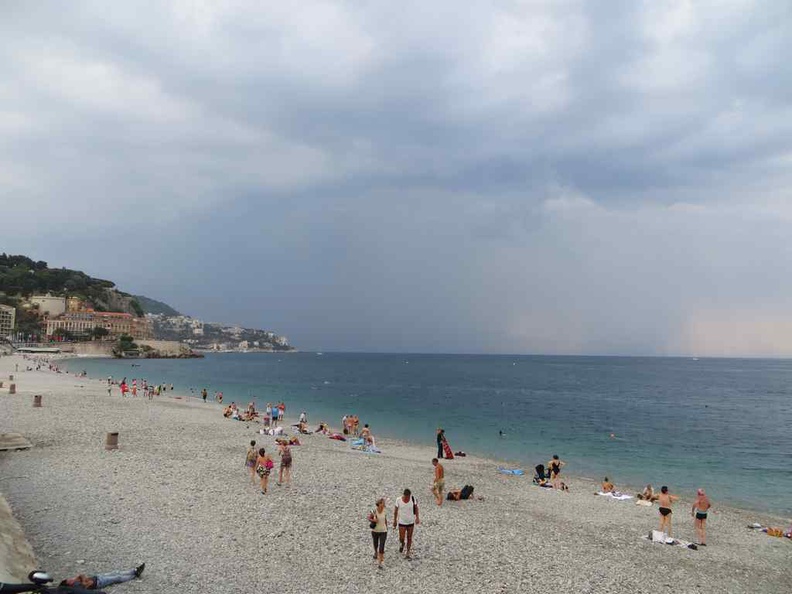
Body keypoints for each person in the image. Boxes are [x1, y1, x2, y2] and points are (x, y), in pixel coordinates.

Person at [60, 563, 145, 589]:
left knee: (116, 572)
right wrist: (81, 579)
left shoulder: (76, 582)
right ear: (69, 584)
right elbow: (87, 583)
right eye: (69, 580)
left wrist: (81, 578)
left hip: (97, 577)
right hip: (99, 582)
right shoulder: (76, 586)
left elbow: (83, 576)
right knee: (117, 578)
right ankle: (134, 575)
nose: (71, 579)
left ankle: (134, 570)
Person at [393, 488, 419, 559]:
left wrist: (417, 517)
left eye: (408, 497)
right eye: (406, 497)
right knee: (401, 537)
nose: (407, 499)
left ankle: (408, 552)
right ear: (404, 495)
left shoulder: (413, 499)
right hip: (402, 522)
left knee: (409, 537)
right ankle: (402, 543)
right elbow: (395, 511)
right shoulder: (398, 500)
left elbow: (416, 508)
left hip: (410, 522)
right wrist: (394, 521)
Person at [368, 498, 388, 569]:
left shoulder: (385, 511)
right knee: (375, 544)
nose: (384, 504)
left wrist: (387, 528)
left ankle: (380, 563)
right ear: (379, 504)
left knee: (382, 546)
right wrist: (374, 520)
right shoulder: (374, 511)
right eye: (383, 503)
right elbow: (368, 518)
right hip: (375, 531)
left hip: (383, 531)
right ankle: (375, 552)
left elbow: (385, 520)